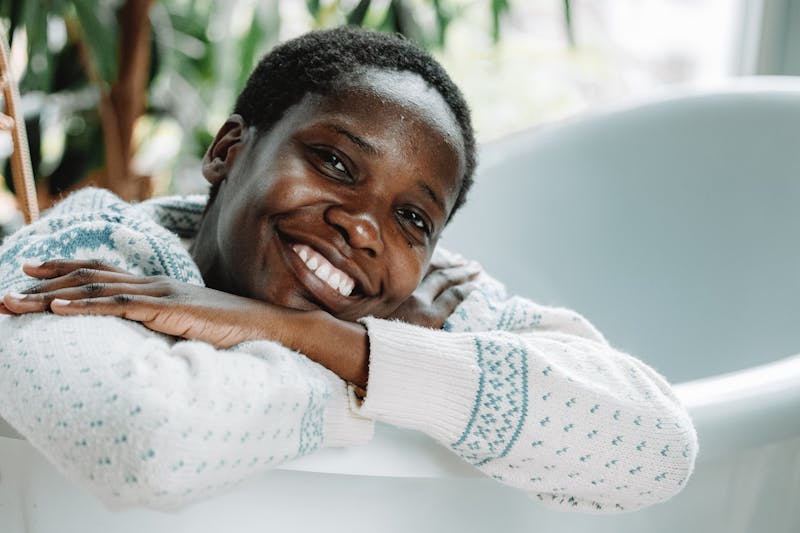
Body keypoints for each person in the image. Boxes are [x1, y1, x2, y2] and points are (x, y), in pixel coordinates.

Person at [0, 27, 696, 512]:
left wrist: (324, 340)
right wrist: (384, 378)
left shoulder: (424, 296)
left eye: (413, 218)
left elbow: (657, 446)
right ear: (227, 150)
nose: (364, 229)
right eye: (334, 162)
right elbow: (146, 443)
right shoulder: (85, 253)